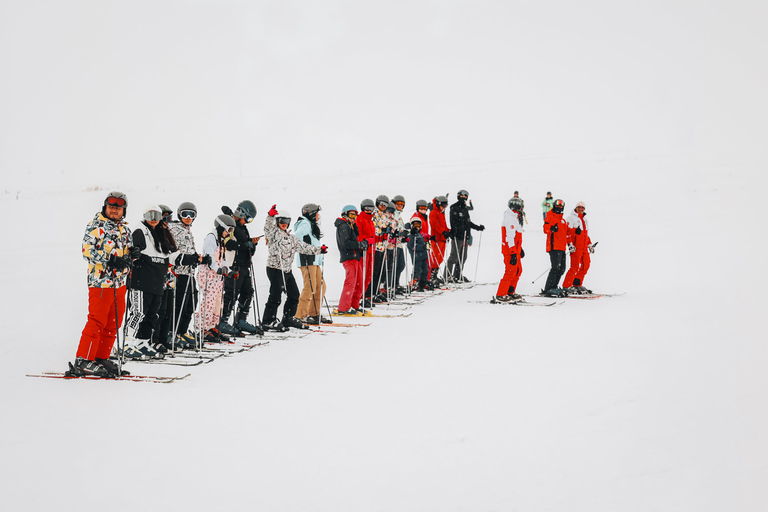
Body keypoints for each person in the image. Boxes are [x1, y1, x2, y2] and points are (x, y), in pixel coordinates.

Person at [70, 191, 134, 377]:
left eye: (118, 208)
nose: (114, 210)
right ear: (105, 207)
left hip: (119, 283)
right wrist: (110, 260)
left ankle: (100, 357)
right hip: (101, 282)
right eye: (111, 206)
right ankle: (83, 360)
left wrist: (132, 255)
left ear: (124, 211)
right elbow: (87, 251)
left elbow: (126, 253)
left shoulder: (125, 229)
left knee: (113, 322)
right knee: (97, 320)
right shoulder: (95, 226)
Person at [123, 206, 199, 359]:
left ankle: (141, 342)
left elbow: (172, 256)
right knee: (139, 313)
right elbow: (130, 250)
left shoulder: (160, 232)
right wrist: (133, 253)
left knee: (152, 315)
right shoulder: (140, 230)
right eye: (150, 215)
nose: (153, 218)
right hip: (141, 280)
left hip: (157, 281)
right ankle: (127, 343)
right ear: (145, 215)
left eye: (157, 215)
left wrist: (193, 258)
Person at [262, 205, 326, 331]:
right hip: (275, 268)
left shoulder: (291, 238)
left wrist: (319, 250)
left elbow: (304, 247)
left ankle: (288, 318)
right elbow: (267, 227)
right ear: (277, 221)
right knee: (275, 296)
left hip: (286, 270)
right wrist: (270, 216)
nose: (284, 224)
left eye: (286, 222)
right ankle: (268, 320)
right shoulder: (273, 233)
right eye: (281, 221)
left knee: (294, 295)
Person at [219, 200, 262, 335]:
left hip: (244, 266)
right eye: (247, 219)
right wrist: (245, 245)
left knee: (248, 292)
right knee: (231, 293)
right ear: (241, 213)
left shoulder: (243, 228)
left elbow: (248, 248)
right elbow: (228, 244)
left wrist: (252, 244)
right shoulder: (231, 225)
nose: (247, 222)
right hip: (234, 265)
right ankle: (223, 321)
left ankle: (240, 320)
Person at [196, 214, 237, 343]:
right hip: (208, 276)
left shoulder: (220, 240)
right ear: (221, 227)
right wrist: (218, 269)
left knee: (218, 304)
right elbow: (210, 258)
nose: (228, 233)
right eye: (228, 230)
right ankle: (201, 329)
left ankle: (212, 327)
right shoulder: (211, 238)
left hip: (217, 279)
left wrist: (228, 271)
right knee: (208, 303)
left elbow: (222, 259)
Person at [168, 201, 203, 348]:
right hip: (178, 274)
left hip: (189, 273)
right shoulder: (174, 228)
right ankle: (173, 332)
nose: (188, 217)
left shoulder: (187, 230)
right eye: (185, 214)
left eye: (191, 215)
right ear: (179, 215)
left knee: (191, 304)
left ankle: (182, 331)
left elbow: (188, 250)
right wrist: (189, 259)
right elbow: (173, 251)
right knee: (179, 305)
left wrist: (198, 258)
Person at [295, 203, 328, 325]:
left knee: (321, 286)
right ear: (312, 214)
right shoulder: (304, 223)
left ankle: (313, 314)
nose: (318, 216)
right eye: (317, 213)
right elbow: (297, 235)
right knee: (310, 287)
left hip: (314, 260)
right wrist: (305, 245)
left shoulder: (311, 224)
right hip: (307, 260)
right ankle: (300, 316)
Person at [335, 205, 367, 315]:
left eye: (355, 215)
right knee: (350, 283)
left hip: (355, 257)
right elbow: (345, 243)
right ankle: (344, 308)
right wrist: (358, 244)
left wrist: (361, 244)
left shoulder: (350, 225)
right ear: (345, 214)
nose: (353, 217)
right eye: (351, 215)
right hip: (349, 258)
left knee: (358, 282)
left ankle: (354, 305)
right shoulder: (344, 226)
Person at [447, 189, 485, 283]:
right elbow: (453, 222)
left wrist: (477, 227)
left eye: (465, 197)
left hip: (465, 236)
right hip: (457, 236)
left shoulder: (465, 208)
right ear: (458, 196)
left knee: (463, 257)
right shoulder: (454, 207)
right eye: (462, 196)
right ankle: (448, 276)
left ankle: (458, 275)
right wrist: (455, 231)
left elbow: (468, 222)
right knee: (453, 257)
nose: (463, 198)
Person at [495, 197, 525, 302]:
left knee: (517, 271)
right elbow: (509, 238)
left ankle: (510, 291)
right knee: (510, 272)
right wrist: (512, 252)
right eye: (520, 206)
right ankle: (501, 294)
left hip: (515, 250)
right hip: (510, 250)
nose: (522, 208)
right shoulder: (510, 219)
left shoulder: (515, 218)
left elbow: (516, 237)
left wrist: (519, 249)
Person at [563, 201, 595, 294]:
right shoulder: (570, 218)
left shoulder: (584, 219)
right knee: (575, 266)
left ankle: (577, 284)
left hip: (584, 247)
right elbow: (567, 233)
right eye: (579, 207)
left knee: (586, 264)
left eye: (582, 207)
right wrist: (570, 244)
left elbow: (585, 234)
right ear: (576, 208)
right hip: (576, 247)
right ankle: (566, 286)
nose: (580, 209)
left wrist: (589, 244)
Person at [542, 199, 569, 297]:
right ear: (554, 206)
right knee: (555, 268)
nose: (559, 207)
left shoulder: (563, 220)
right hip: (554, 246)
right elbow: (545, 229)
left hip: (562, 247)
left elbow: (566, 233)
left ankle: (554, 286)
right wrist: (551, 229)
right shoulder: (550, 216)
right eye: (557, 205)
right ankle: (548, 288)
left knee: (562, 269)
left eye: (561, 206)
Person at [355, 198, 376, 307]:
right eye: (367, 208)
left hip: (371, 251)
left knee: (368, 276)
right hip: (363, 251)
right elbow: (357, 234)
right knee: (362, 276)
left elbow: (373, 236)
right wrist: (366, 240)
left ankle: (362, 297)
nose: (368, 210)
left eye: (371, 208)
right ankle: (357, 298)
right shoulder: (360, 219)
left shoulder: (371, 220)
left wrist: (383, 237)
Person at [428, 195, 450, 285]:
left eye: (445, 206)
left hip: (442, 239)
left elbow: (443, 226)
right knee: (435, 258)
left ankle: (435, 275)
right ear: (438, 204)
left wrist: (448, 231)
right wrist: (443, 232)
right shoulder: (433, 212)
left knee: (440, 258)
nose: (444, 208)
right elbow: (435, 225)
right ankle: (431, 276)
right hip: (436, 239)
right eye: (443, 206)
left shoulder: (441, 213)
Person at [406, 214, 430, 291]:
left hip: (423, 256)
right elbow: (412, 246)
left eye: (418, 225)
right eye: (415, 225)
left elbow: (422, 243)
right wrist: (422, 247)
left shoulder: (419, 234)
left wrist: (426, 245)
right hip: (416, 256)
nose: (417, 227)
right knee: (417, 270)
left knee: (425, 270)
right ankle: (414, 282)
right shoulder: (411, 235)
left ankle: (422, 283)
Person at [391, 194, 407, 294]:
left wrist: (405, 234)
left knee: (401, 265)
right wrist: (399, 234)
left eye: (402, 204)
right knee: (396, 265)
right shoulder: (392, 214)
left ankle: (395, 283)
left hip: (399, 243)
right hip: (393, 244)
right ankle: (392, 284)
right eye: (398, 203)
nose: (400, 205)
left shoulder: (399, 215)